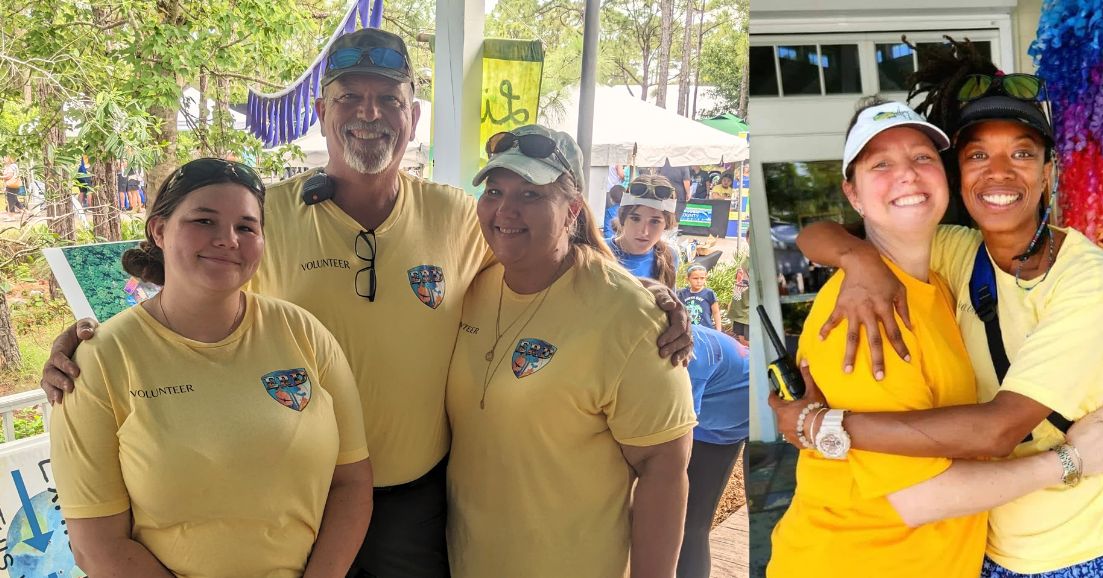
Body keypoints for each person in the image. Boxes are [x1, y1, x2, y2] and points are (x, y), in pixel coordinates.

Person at [38, 27, 695, 577]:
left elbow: (549, 252)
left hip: (422, 501)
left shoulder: (460, 215)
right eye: (349, 97)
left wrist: (647, 290)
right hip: (295, 505)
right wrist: (85, 338)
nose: (370, 113)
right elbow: (188, 286)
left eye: (390, 98)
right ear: (322, 113)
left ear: (413, 115)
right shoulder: (271, 215)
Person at [778, 45, 1103, 576]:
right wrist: (855, 256)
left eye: (1024, 153)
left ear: (1049, 172)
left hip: (1095, 546)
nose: (1000, 173)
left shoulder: (1083, 273)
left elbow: (997, 431)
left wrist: (821, 424)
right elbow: (819, 234)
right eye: (977, 155)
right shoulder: (939, 262)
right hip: (984, 552)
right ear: (959, 174)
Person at [50, 158, 373, 577]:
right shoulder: (101, 361)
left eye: (246, 226)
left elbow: (351, 482)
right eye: (204, 220)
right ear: (159, 231)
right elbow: (96, 545)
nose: (227, 240)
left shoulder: (302, 332)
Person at [447, 124, 697, 577]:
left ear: (572, 210)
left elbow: (664, 468)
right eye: (495, 191)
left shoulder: (631, 318)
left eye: (531, 195)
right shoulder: (474, 283)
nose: (505, 210)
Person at [678, 323, 752, 578]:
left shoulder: (688, 362)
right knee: (685, 523)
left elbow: (672, 447)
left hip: (761, 415)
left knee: (691, 525)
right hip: (714, 424)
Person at [611, 173, 680, 282]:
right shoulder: (598, 253)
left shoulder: (669, 257)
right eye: (635, 219)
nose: (644, 231)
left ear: (666, 224)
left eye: (655, 221)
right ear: (623, 218)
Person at [678, 264, 719, 329]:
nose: (699, 281)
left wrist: (718, 331)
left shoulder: (709, 293)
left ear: (706, 278)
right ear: (687, 279)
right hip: (688, 330)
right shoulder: (682, 294)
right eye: (695, 278)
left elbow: (716, 312)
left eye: (702, 278)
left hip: (706, 330)